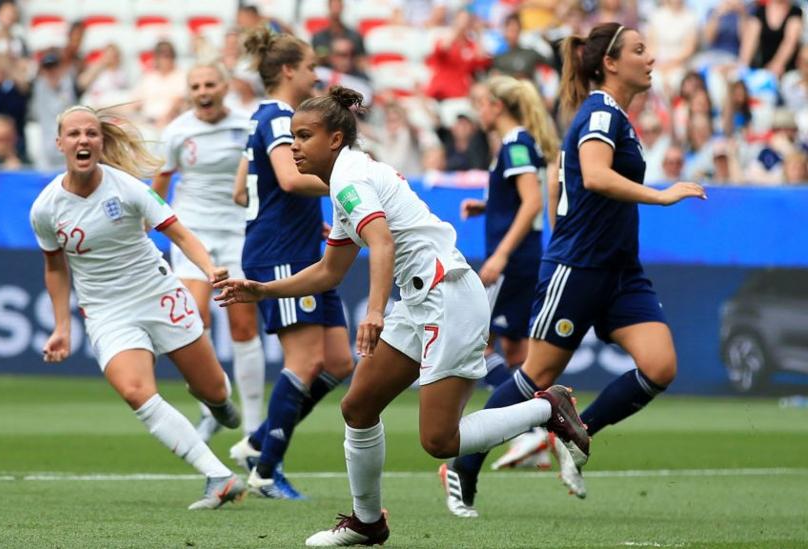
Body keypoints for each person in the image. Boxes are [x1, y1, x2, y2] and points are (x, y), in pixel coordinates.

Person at [215, 86, 591, 546]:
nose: (294, 145)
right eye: (293, 136)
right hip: (423, 299)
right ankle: (367, 522)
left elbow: (383, 244)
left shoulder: (351, 180)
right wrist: (263, 290)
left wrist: (374, 311)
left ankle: (546, 407)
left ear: (335, 139)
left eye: (304, 135)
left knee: (439, 440)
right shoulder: (347, 180)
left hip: (446, 297)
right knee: (358, 406)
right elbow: (330, 270)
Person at [441, 22, 707, 513]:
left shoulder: (616, 117)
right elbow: (596, 175)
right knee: (535, 374)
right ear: (610, 62)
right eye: (640, 50)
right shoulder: (602, 113)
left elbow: (568, 185)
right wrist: (662, 195)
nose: (650, 59)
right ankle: (463, 464)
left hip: (620, 270)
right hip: (578, 266)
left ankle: (572, 431)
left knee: (660, 365)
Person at [29, 104, 246, 511]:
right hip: (107, 311)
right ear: (59, 143)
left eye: (91, 133)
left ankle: (218, 406)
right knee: (135, 391)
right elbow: (55, 267)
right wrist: (62, 325)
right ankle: (218, 476)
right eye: (74, 134)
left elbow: (178, 232)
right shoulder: (45, 208)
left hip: (157, 294)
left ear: (101, 141)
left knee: (212, 389)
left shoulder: (127, 187)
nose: (83, 140)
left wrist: (210, 269)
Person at [228, 29, 355, 500]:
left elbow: (243, 190)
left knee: (339, 361)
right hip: (280, 251)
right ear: (287, 71)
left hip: (300, 246)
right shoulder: (281, 117)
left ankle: (260, 442)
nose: (315, 74)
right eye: (308, 67)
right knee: (305, 362)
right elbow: (288, 177)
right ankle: (265, 472)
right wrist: (354, 183)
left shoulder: (265, 116)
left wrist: (306, 221)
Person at [444, 74, 560, 517]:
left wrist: (501, 256)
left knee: (478, 343)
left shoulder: (514, 143)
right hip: (522, 259)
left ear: (498, 104)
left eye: (482, 102)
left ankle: (527, 429)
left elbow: (531, 204)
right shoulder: (519, 143)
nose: (479, 110)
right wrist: (486, 204)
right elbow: (518, 200)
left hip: (511, 261)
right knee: (516, 350)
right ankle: (531, 430)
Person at [152, 62, 266, 441]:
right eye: (196, 85)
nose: (203, 91)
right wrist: (146, 227)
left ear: (224, 87)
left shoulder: (246, 123)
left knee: (243, 325)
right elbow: (160, 185)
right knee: (193, 319)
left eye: (210, 84)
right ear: (189, 91)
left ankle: (253, 427)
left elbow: (265, 174)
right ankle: (213, 409)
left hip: (238, 232)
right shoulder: (178, 130)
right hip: (192, 234)